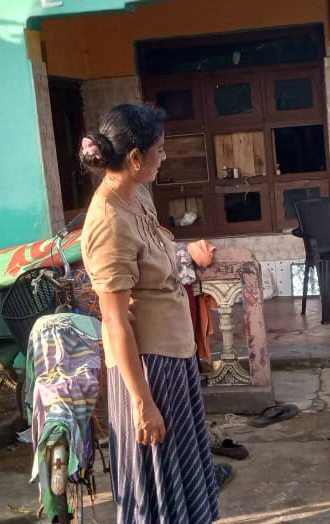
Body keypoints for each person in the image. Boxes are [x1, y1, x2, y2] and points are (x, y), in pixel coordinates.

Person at [81, 104, 229, 523]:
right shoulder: (108, 221)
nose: (163, 158)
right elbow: (115, 321)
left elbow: (153, 261)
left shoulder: (136, 197)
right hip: (147, 370)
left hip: (173, 360)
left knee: (182, 468)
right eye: (159, 150)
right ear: (135, 157)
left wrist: (186, 253)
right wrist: (142, 403)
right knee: (157, 479)